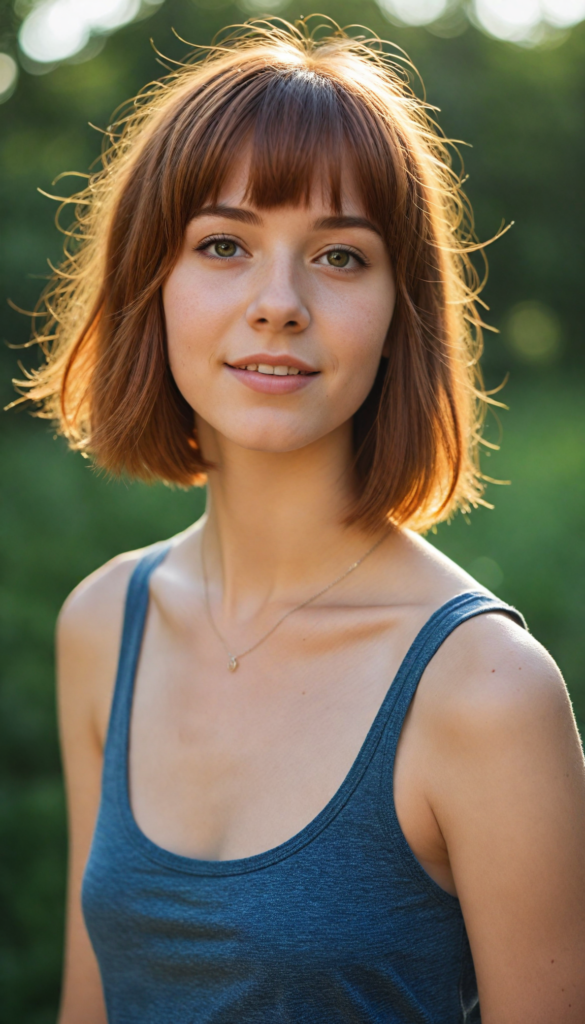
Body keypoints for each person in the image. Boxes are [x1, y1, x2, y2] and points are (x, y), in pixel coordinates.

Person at [18, 17, 585, 1024]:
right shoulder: (104, 623)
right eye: (224, 244)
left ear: (398, 311)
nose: (278, 302)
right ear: (153, 282)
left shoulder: (488, 694)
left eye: (339, 256)